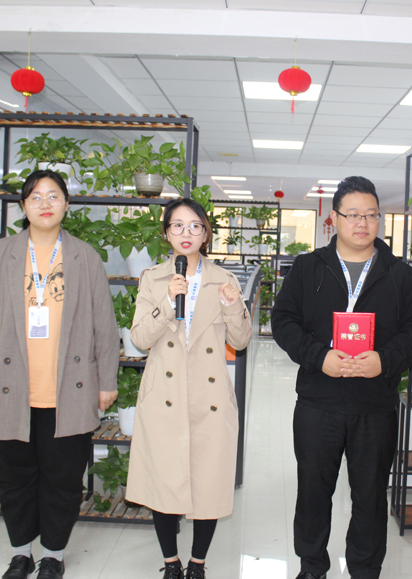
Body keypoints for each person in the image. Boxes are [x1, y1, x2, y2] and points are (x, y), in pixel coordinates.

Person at [0, 169, 119, 579]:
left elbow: (105, 324)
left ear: (66, 204)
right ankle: (21, 553)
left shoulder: (85, 257)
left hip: (69, 390)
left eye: (53, 196)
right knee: (13, 479)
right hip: (8, 389)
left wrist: (107, 381)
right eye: (35, 197)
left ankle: (53, 555)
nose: (45, 204)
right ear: (23, 206)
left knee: (62, 480)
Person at [271, 176, 412, 579]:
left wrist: (385, 360)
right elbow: (283, 321)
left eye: (371, 215)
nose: (363, 223)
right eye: (353, 215)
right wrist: (319, 356)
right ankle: (312, 566)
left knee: (371, 495)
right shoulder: (308, 268)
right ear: (334, 218)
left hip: (374, 404)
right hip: (318, 401)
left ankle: (365, 568)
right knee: (313, 490)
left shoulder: (399, 274)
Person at [125, 198, 252, 579]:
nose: (186, 233)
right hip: (163, 398)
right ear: (166, 233)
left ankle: (197, 563)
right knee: (163, 483)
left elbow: (241, 340)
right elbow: (140, 339)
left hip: (208, 398)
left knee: (209, 483)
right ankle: (171, 563)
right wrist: (167, 300)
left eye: (195, 226)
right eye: (177, 226)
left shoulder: (224, 280)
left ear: (206, 233)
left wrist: (232, 307)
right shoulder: (153, 279)